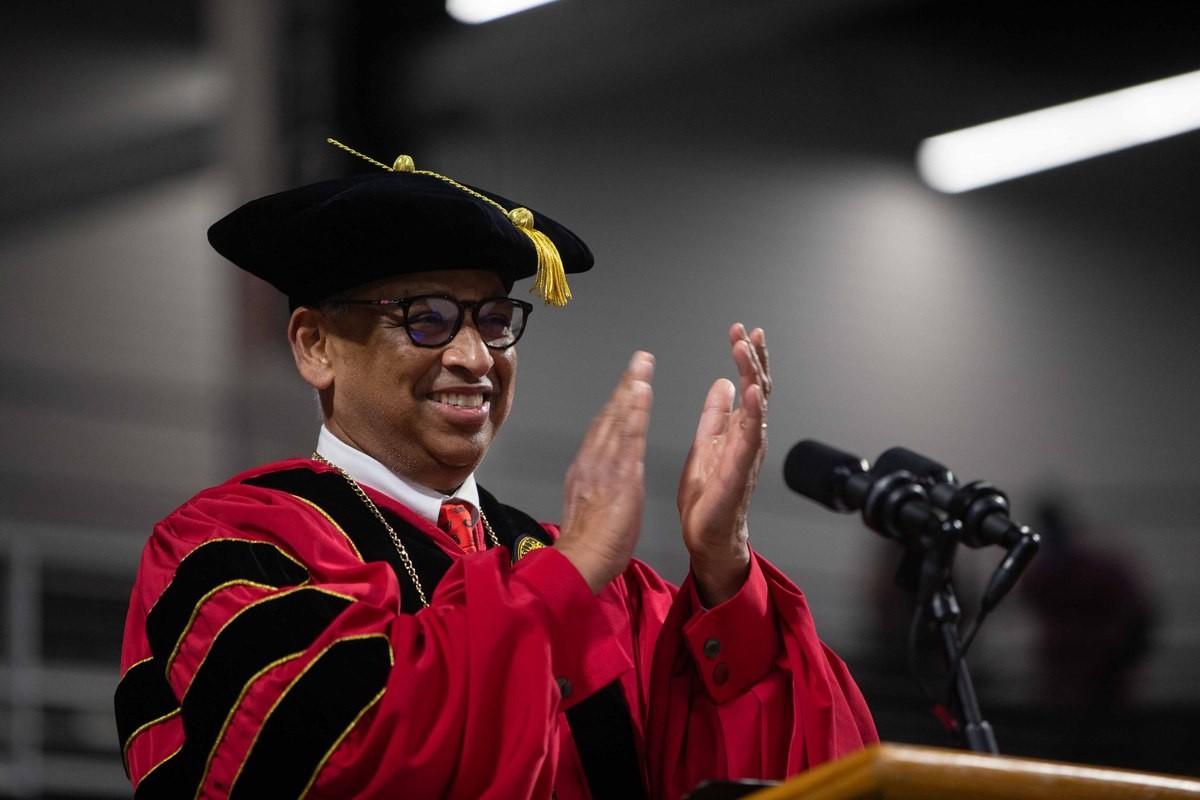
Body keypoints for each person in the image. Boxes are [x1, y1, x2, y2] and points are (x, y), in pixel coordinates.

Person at [115, 145, 877, 799]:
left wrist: (722, 573)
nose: (475, 358)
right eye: (427, 317)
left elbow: (793, 773)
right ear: (316, 345)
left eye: (492, 320)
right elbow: (330, 762)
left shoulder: (591, 584)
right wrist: (565, 576)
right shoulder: (230, 548)